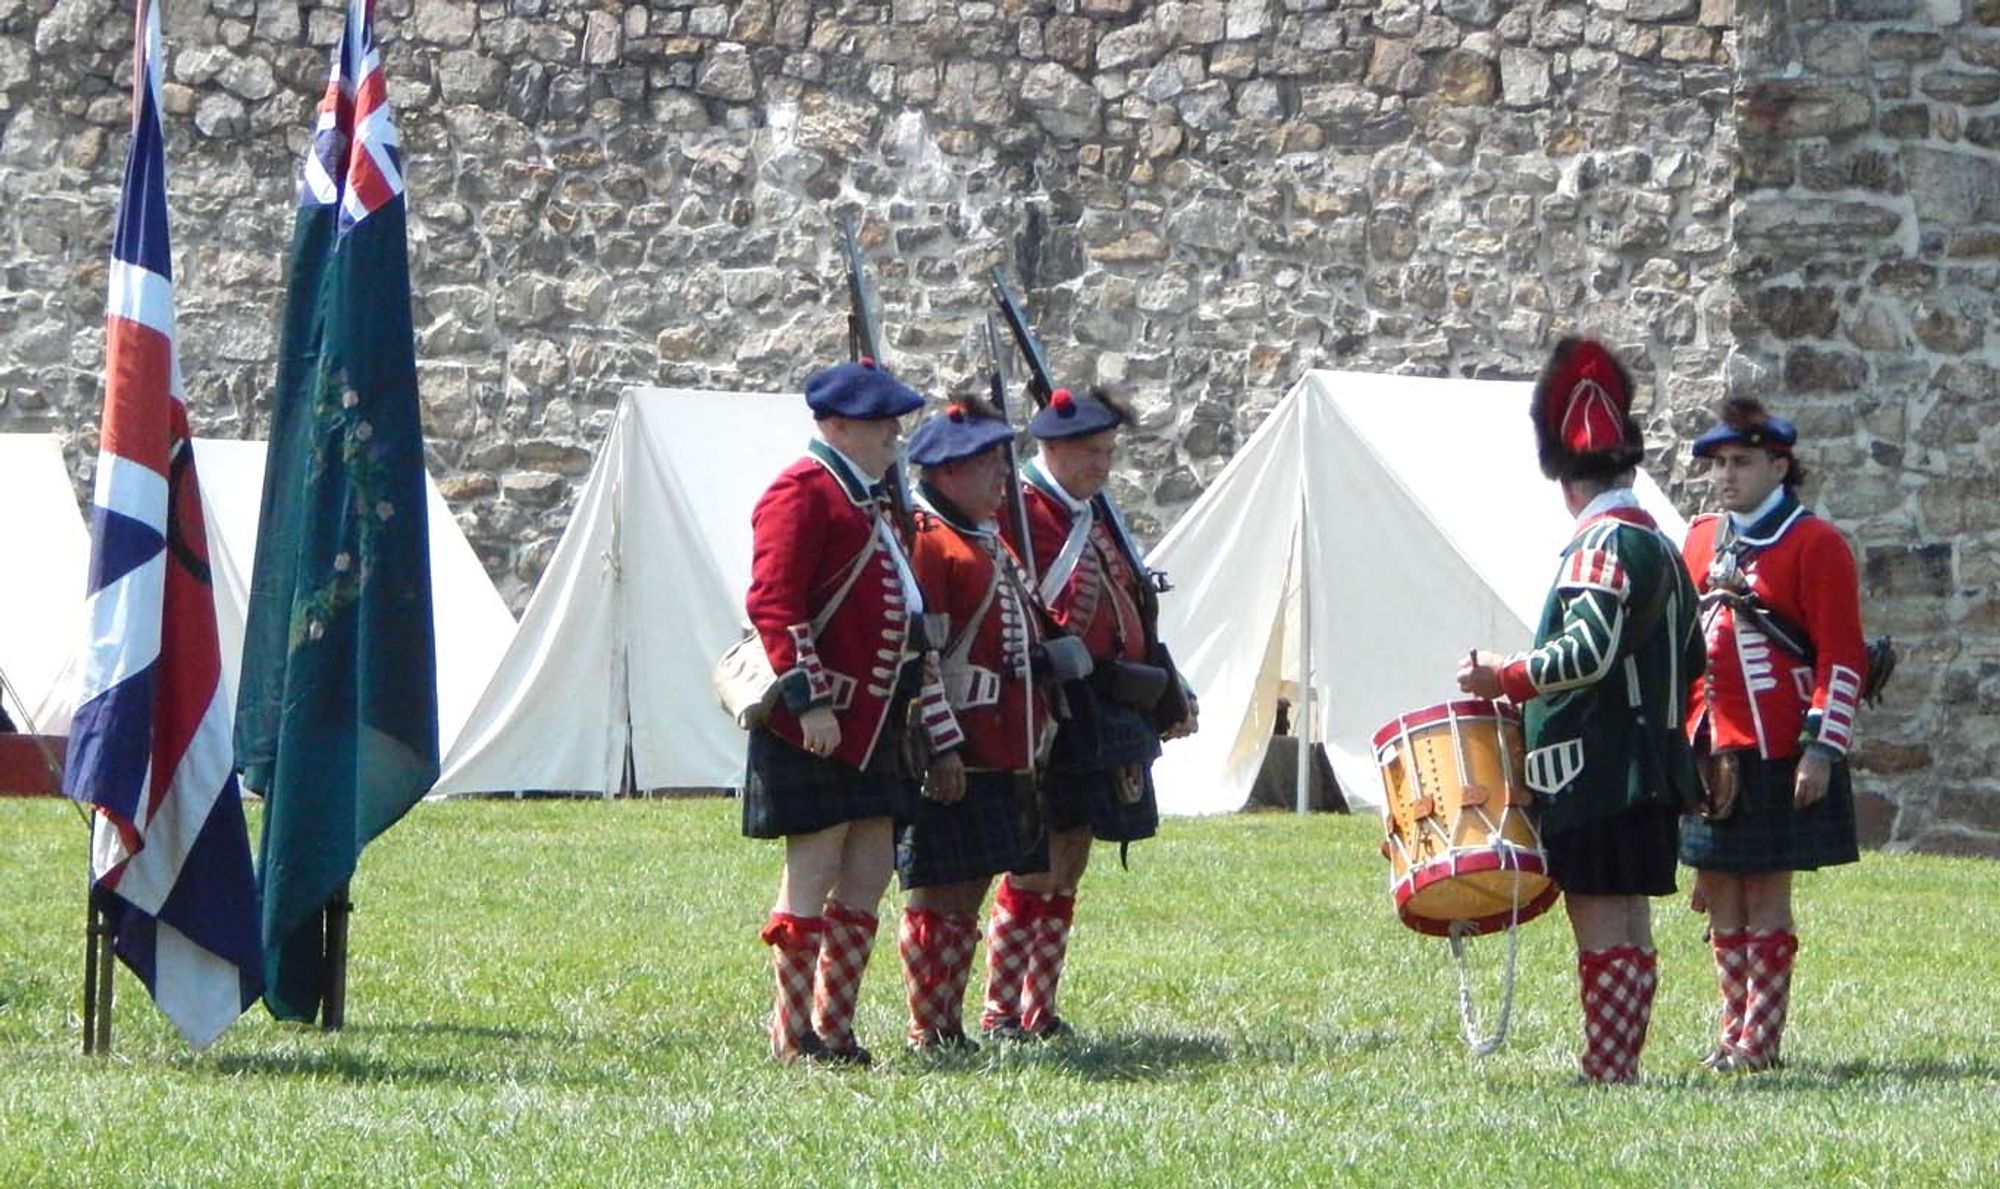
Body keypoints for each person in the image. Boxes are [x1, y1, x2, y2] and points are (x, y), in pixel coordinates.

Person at [1457, 339, 1705, 1085]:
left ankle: (1608, 1064)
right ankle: (1620, 1057)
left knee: (1599, 916)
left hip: (1596, 768)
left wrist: (1506, 675)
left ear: (1565, 477)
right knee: (1629, 917)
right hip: (1655, 759)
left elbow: (1586, 652)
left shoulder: (1597, 545)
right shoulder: (1663, 546)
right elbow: (1691, 656)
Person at [742, 359, 962, 1066]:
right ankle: (790, 1033)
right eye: (878, 423)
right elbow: (776, 603)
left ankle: (833, 1026)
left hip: (874, 725)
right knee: (812, 870)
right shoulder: (802, 492)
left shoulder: (873, 500)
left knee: (867, 868)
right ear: (837, 425)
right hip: (821, 720)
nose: (894, 434)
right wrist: (810, 702)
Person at [982, 385, 1198, 1042]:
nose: (1103, 466)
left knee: (1071, 853)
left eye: (1107, 452)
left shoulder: (1088, 511)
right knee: (1035, 858)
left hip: (1102, 703)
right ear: (1054, 447)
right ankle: (1001, 1007)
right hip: (1053, 705)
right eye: (1092, 453)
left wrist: (1167, 681)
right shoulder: (1021, 511)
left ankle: (1039, 1004)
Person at [1679, 397, 1866, 1073]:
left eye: (1742, 462)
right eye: (1720, 463)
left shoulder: (1814, 543)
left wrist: (1822, 746)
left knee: (1765, 894)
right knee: (1721, 891)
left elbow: (1841, 655)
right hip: (1711, 750)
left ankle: (1761, 1037)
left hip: (1780, 747)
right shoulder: (1700, 538)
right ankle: (1734, 1029)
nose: (1727, 475)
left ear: (1778, 464)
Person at [894, 397, 1060, 1053]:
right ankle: (926, 1024)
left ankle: (951, 1020)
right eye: (988, 463)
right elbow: (924, 655)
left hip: (1005, 745)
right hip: (962, 745)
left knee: (969, 893)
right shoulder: (931, 541)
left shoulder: (987, 540)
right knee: (938, 893)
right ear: (948, 471)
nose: (1001, 476)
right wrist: (942, 744)